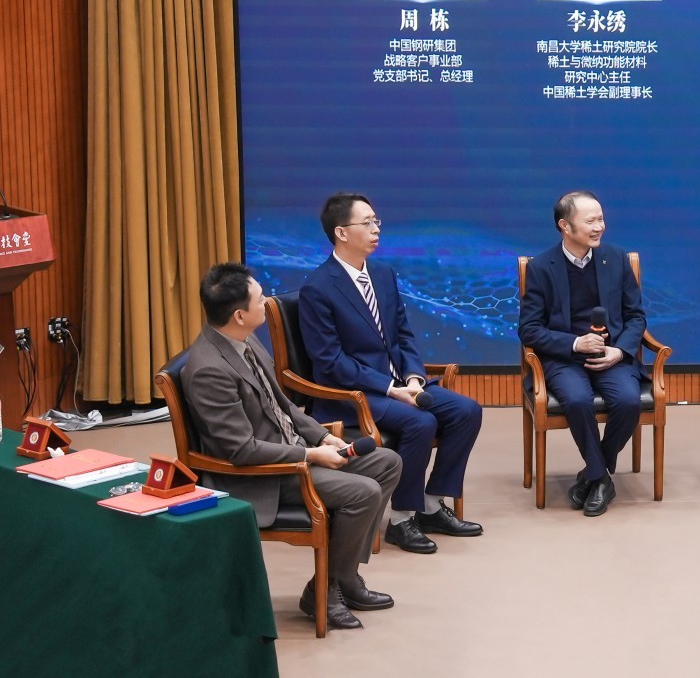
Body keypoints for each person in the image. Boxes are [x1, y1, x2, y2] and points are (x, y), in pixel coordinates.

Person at [180, 262, 402, 631]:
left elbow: (281, 404)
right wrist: (310, 455)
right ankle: (326, 589)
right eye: (259, 299)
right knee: (363, 492)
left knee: (387, 463)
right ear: (239, 315)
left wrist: (321, 436)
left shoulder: (243, 338)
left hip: (293, 451)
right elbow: (242, 451)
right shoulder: (209, 370)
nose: (266, 301)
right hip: (262, 476)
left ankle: (340, 578)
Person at [298, 193, 484, 554]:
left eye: (376, 221)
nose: (376, 229)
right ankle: (401, 519)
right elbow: (330, 362)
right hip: (352, 394)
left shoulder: (383, 274)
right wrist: (389, 387)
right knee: (420, 422)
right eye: (366, 222)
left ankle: (431, 505)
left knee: (467, 411)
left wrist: (413, 378)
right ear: (341, 232)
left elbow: (403, 335)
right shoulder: (318, 288)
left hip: (399, 384)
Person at [517, 191, 647, 517]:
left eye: (601, 219)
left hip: (611, 355)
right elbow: (529, 329)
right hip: (565, 358)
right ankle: (601, 478)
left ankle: (592, 473)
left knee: (628, 402)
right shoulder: (541, 267)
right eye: (591, 221)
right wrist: (575, 344)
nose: (599, 226)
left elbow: (636, 317)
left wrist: (619, 350)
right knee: (576, 401)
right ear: (565, 226)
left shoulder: (616, 259)